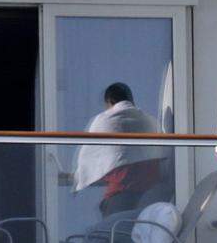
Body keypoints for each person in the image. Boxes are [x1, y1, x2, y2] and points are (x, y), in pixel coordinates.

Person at [73, 83, 173, 218]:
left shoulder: (105, 121)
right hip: (151, 195)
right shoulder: (148, 121)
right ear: (131, 100)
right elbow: (162, 151)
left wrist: (80, 178)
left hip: (121, 194)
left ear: (109, 101)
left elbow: (89, 156)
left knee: (112, 234)